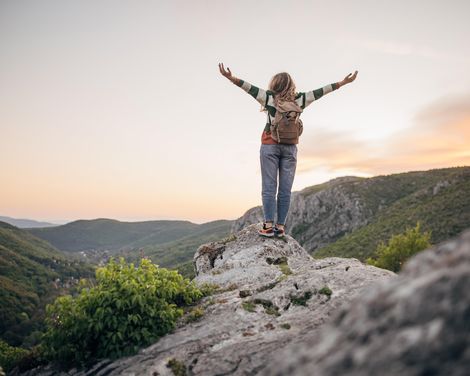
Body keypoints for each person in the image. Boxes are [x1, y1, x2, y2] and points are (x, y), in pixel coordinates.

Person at [218, 63, 358, 238]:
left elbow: (249, 88)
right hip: (290, 147)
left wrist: (231, 78)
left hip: (269, 145)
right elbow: (321, 92)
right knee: (285, 190)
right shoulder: (300, 99)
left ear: (274, 84)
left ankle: (268, 226)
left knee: (269, 187)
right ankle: (281, 227)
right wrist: (342, 82)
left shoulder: (269, 98)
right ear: (291, 85)